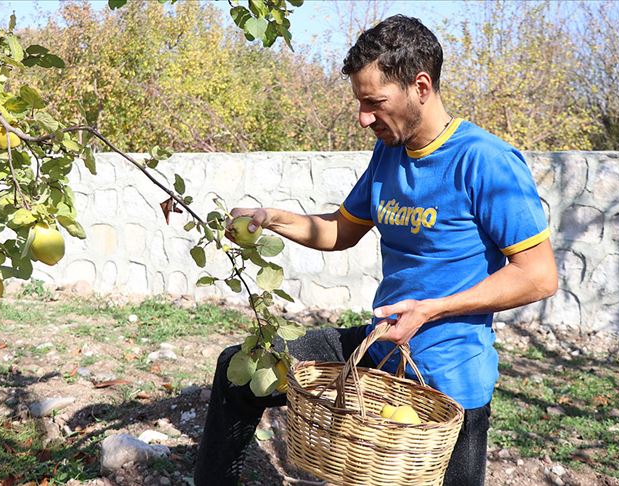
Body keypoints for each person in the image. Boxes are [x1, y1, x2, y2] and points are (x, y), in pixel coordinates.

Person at [194, 13, 558, 486]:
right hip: (379, 349)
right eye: (360, 103)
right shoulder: (388, 153)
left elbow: (538, 275)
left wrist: (430, 311)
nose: (364, 118)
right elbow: (339, 232)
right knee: (240, 369)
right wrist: (272, 217)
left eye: (375, 102)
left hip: (446, 386)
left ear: (420, 87)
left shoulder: (485, 161)